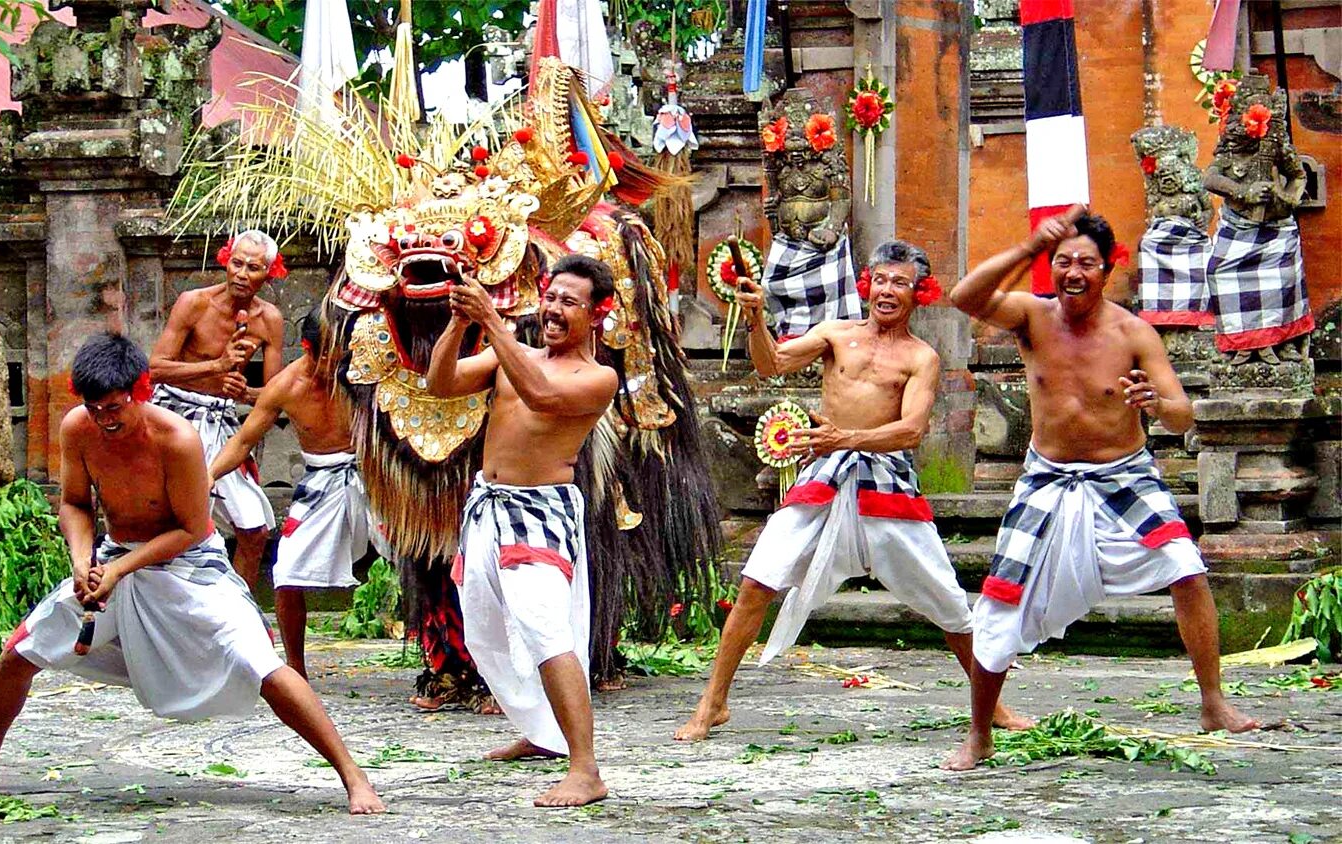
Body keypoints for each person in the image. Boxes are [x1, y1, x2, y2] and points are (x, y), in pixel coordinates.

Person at [0, 333, 383, 812]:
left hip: (192, 566)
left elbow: (190, 528)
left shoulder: (177, 440)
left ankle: (353, 776)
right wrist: (84, 562)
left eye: (114, 406)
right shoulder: (77, 429)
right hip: (114, 556)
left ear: (140, 390)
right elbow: (75, 504)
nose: (105, 419)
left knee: (263, 666)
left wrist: (119, 568)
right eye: (94, 407)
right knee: (19, 650)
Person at [942, 206, 1259, 771]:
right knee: (999, 601)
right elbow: (964, 298)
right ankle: (980, 735)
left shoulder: (1132, 332)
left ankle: (1213, 703)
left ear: (1106, 269)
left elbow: (1183, 414)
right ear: (1051, 267)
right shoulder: (1031, 317)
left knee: (1185, 565)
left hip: (1125, 475)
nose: (1073, 273)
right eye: (1062, 262)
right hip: (1047, 477)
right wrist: (1026, 246)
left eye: (1086, 263)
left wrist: (1157, 405)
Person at [675, 241, 1029, 743]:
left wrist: (847, 438)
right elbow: (772, 363)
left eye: (900, 282)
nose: (887, 290)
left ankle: (991, 706)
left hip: (887, 486)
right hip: (823, 480)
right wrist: (756, 319)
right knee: (757, 581)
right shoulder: (836, 334)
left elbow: (910, 431)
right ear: (867, 285)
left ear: (919, 293)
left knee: (950, 605)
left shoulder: (921, 357)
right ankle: (713, 702)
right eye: (881, 280)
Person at [425, 254, 619, 808]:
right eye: (550, 297)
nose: (553, 310)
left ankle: (586, 768)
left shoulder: (596, 378)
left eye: (569, 302)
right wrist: (460, 324)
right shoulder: (514, 355)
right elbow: (440, 385)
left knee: (543, 627)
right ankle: (542, 733)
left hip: (541, 511)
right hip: (487, 507)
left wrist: (490, 321)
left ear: (597, 313)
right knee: (486, 631)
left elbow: (542, 397)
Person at [209, 308, 382, 680]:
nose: (338, 365)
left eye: (343, 355)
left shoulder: (363, 373)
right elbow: (242, 442)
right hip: (321, 481)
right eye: (329, 357)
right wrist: (207, 476)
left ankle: (448, 661)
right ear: (308, 348)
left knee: (422, 559)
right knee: (285, 571)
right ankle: (296, 670)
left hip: (375, 475)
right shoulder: (286, 386)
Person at [149, 229, 287, 587]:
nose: (242, 274)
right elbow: (156, 368)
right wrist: (215, 366)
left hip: (222, 423)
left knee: (254, 530)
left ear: (268, 274)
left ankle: (238, 611)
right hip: (175, 417)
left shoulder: (269, 319)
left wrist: (246, 392)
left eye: (253, 268)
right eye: (237, 264)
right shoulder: (194, 303)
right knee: (179, 526)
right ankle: (176, 608)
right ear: (225, 261)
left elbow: (273, 394)